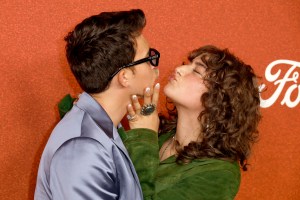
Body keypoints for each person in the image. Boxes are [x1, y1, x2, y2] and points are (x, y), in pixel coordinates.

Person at [34, 9, 160, 200]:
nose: (154, 65)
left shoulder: (101, 127)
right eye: (147, 58)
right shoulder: (82, 150)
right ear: (124, 77)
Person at [121, 45, 261, 199]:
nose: (180, 70)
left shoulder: (219, 174)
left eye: (196, 71)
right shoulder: (159, 131)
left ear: (219, 99)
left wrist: (143, 138)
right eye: (185, 65)